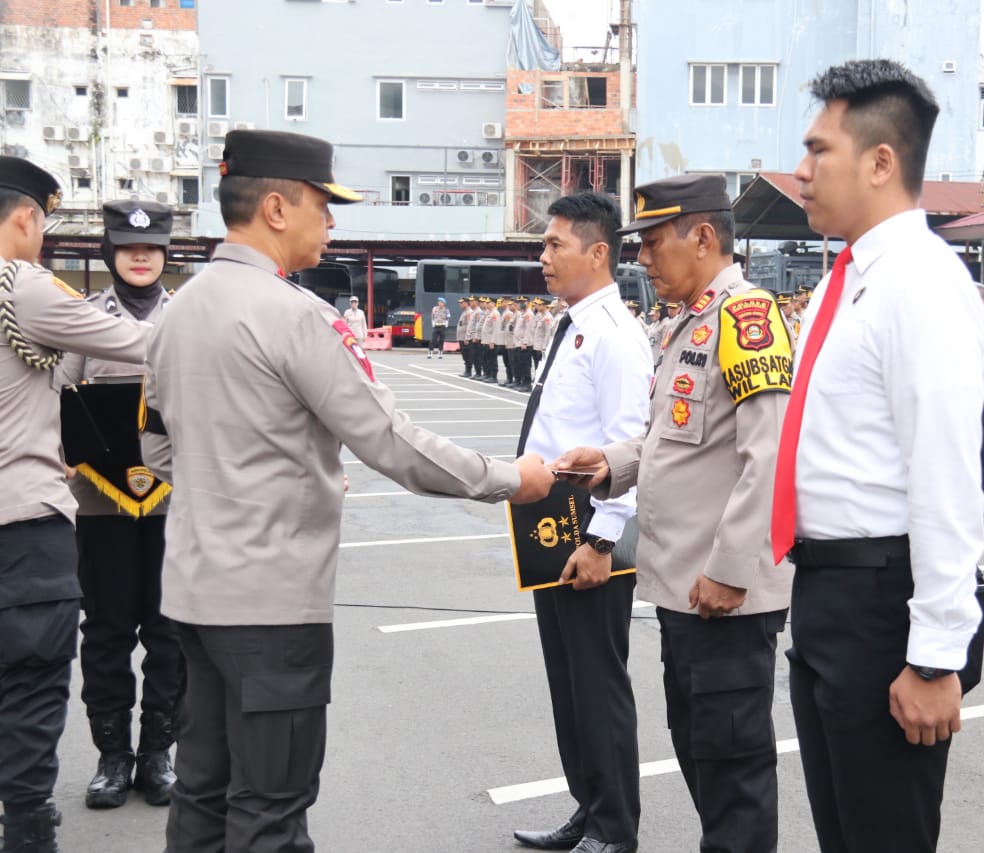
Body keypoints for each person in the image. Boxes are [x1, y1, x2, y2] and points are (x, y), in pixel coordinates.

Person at [141, 129, 554, 853]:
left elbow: (154, 444)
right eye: (322, 204)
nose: (332, 221)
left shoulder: (177, 308)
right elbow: (393, 445)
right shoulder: (297, 316)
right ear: (276, 207)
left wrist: (227, 479)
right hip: (272, 607)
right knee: (271, 806)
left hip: (193, 593)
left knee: (202, 797)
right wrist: (513, 478)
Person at [772, 60, 984, 853]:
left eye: (817, 149)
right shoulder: (857, 277)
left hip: (880, 603)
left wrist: (935, 656)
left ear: (881, 161)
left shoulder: (920, 283)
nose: (801, 169)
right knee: (846, 831)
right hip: (831, 590)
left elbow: (946, 476)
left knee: (882, 835)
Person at [557, 174, 794, 853]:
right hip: (686, 590)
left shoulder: (748, 320)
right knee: (699, 749)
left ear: (704, 236)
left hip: (723, 594)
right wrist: (610, 464)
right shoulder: (692, 323)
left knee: (732, 765)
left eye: (653, 242)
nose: (641, 258)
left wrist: (729, 568)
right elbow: (674, 439)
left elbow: (768, 456)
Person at [0, 158, 152, 853]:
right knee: (31, 690)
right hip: (23, 527)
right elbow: (144, 342)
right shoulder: (23, 288)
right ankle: (29, 833)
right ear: (26, 218)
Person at [512, 192, 650, 853]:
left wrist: (602, 541)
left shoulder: (618, 337)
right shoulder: (571, 323)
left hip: (589, 528)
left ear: (598, 253)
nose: (543, 257)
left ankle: (615, 827)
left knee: (597, 683)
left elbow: (628, 444)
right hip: (548, 524)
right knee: (567, 683)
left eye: (555, 245)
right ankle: (588, 805)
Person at [54, 199, 184, 811]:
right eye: (130, 248)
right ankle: (112, 757)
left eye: (153, 248)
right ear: (110, 253)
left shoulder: (187, 319)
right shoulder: (84, 319)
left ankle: (158, 753)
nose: (141, 256)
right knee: (106, 630)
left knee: (167, 630)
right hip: (100, 504)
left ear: (164, 255)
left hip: (174, 503)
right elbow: (62, 404)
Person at [457, 297, 475, 378]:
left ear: (467, 303)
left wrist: (467, 337)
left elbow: (469, 326)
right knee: (465, 355)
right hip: (462, 337)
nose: (460, 304)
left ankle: (468, 371)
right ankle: (467, 370)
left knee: (468, 355)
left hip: (465, 338)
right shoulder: (465, 312)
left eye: (462, 303)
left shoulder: (469, 312)